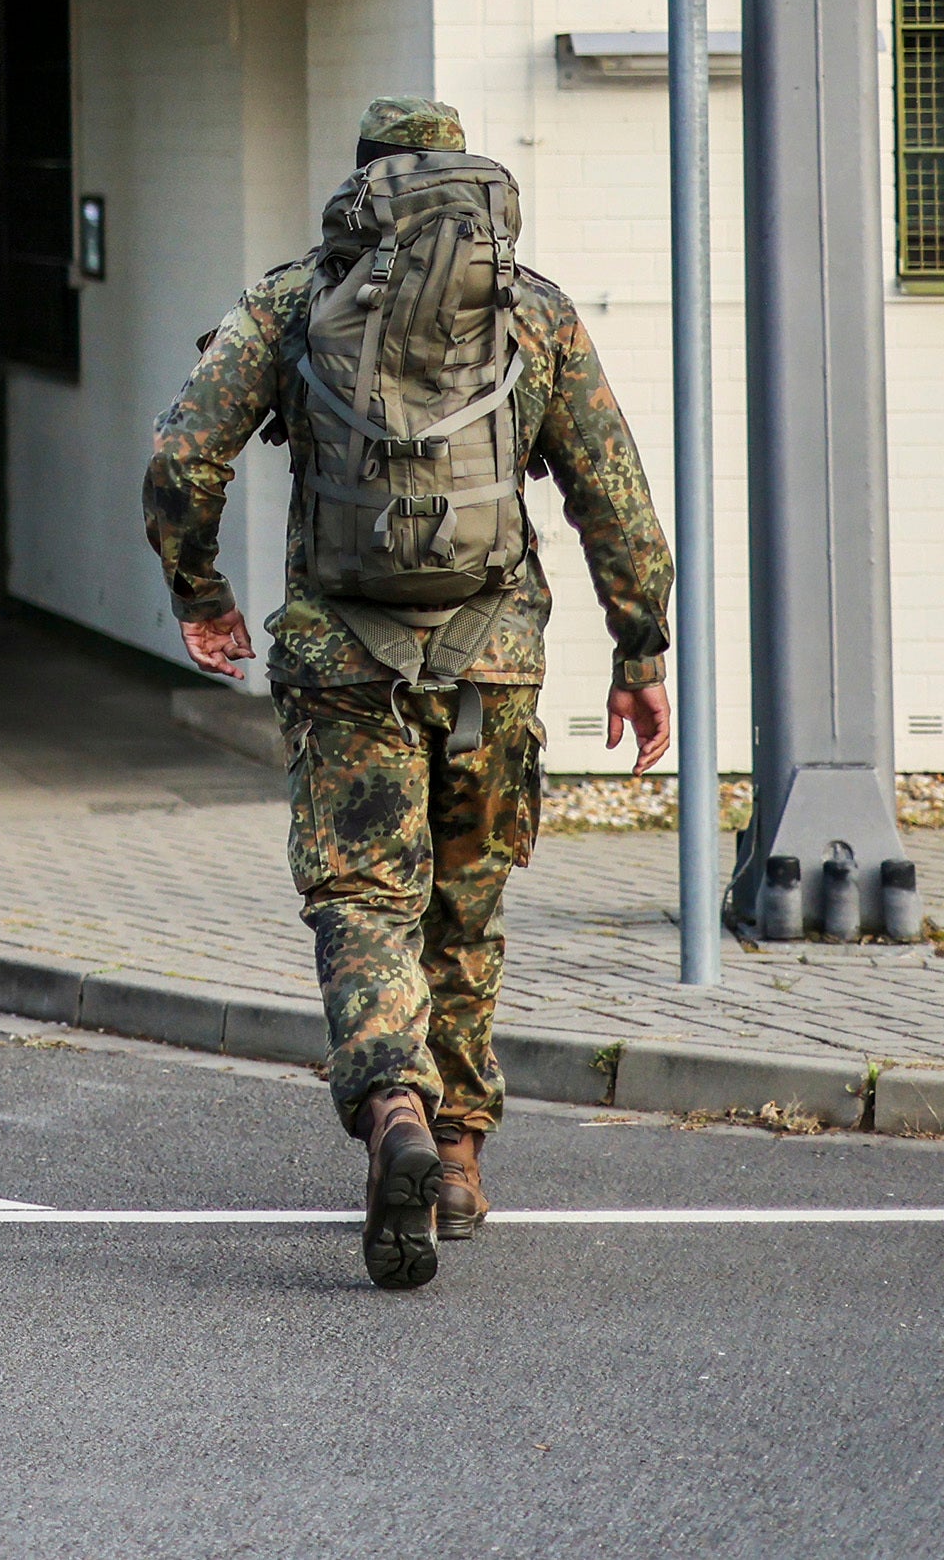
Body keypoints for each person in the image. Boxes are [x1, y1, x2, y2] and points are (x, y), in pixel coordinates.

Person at [146, 96, 673, 1292]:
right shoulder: (532, 308)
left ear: (362, 182)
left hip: (344, 661)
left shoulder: (291, 301)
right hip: (494, 656)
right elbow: (613, 490)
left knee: (364, 898)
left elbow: (181, 455)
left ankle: (394, 1103)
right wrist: (638, 651)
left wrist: (198, 588)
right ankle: (462, 1156)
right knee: (465, 904)